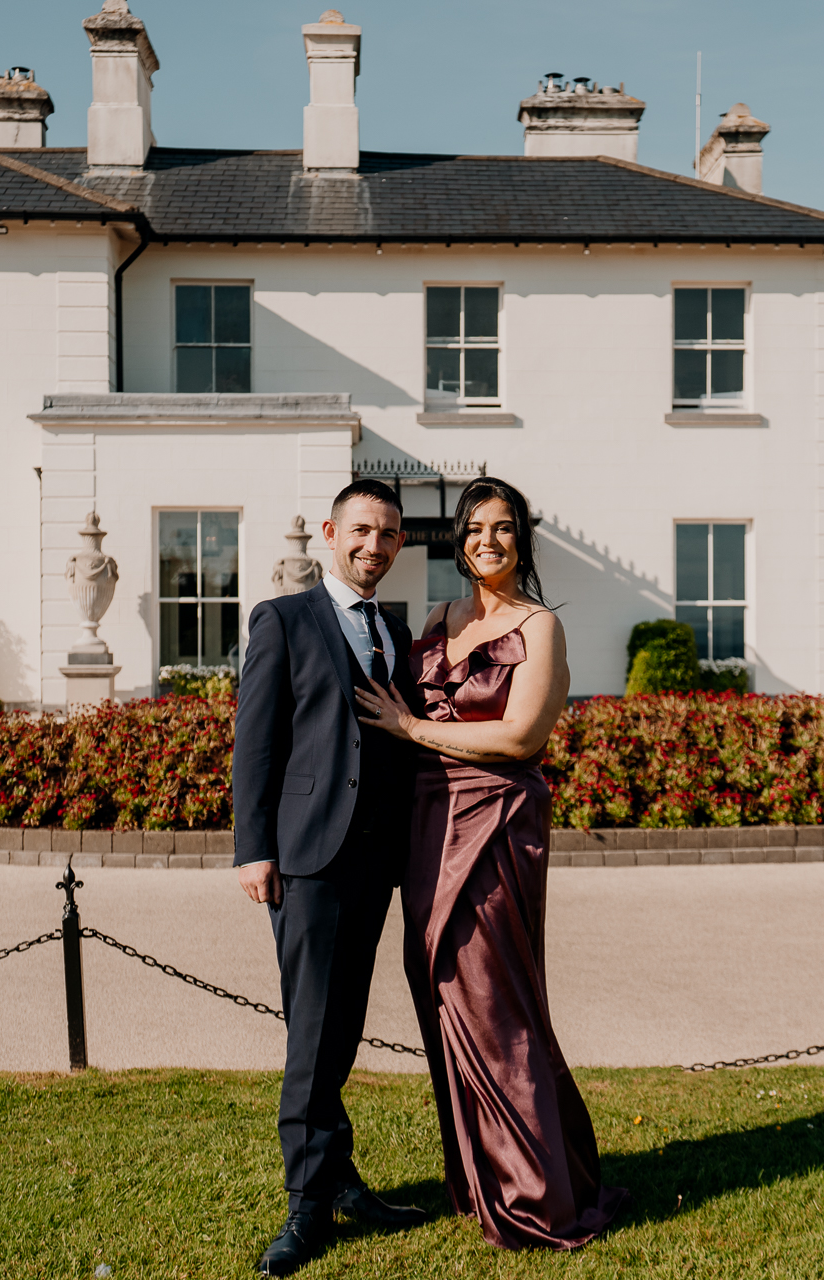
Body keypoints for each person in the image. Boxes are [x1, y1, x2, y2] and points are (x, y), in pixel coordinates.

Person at [354, 477, 628, 1251]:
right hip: (427, 825)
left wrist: (410, 729)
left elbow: (518, 739)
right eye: (475, 528)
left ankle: (537, 1193)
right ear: (458, 539)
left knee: (496, 1002)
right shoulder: (439, 619)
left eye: (503, 529)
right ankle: (480, 1178)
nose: (487, 541)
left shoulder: (541, 626)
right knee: (442, 996)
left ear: (523, 540)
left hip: (498, 827)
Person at [233, 479, 429, 1276]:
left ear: (400, 544)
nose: (372, 546)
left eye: (387, 535)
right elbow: (256, 742)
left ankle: (339, 1175)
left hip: (374, 861)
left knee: (341, 1024)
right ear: (328, 532)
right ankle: (308, 1203)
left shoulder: (397, 629)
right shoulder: (283, 619)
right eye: (360, 531)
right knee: (313, 1029)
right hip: (307, 857)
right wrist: (253, 848)